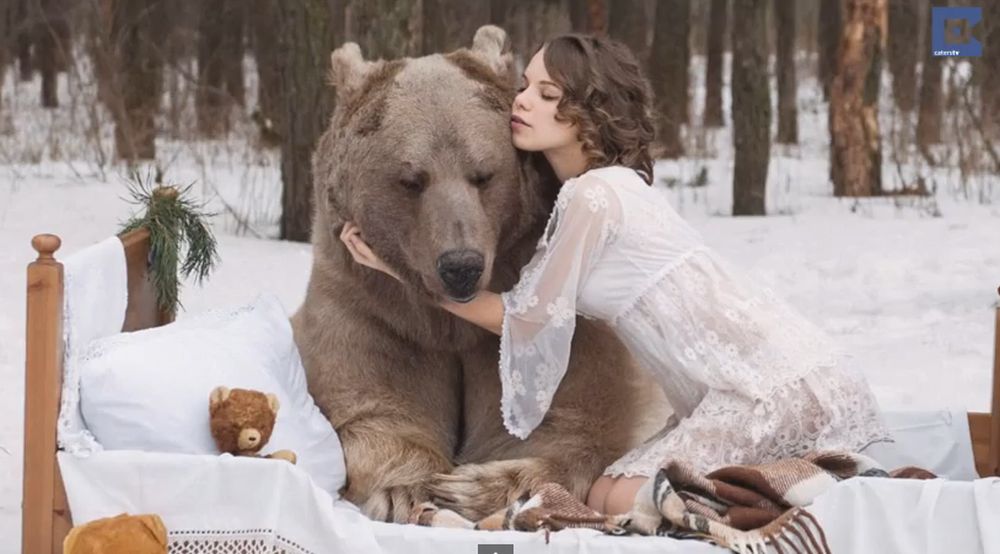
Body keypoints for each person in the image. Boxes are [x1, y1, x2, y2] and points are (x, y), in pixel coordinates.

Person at [339, 33, 889, 515]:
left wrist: (398, 271)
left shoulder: (595, 196)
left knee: (618, 500)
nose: (520, 103)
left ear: (587, 111)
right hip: (728, 383)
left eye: (546, 95)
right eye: (524, 86)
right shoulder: (600, 187)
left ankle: (821, 490)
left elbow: (528, 323)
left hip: (770, 385)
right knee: (603, 496)